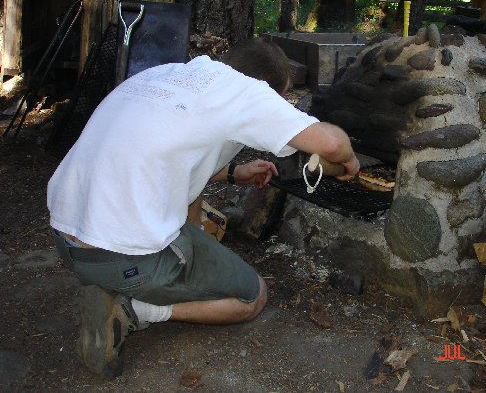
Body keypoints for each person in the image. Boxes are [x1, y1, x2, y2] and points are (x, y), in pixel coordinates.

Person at [47, 38, 360, 378]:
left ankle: (130, 284)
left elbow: (168, 152)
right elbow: (330, 143)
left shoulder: (169, 74)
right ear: (268, 89)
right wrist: (350, 162)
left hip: (68, 239)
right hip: (121, 256)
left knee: (187, 232)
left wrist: (234, 173)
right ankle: (133, 310)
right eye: (280, 97)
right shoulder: (246, 92)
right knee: (251, 297)